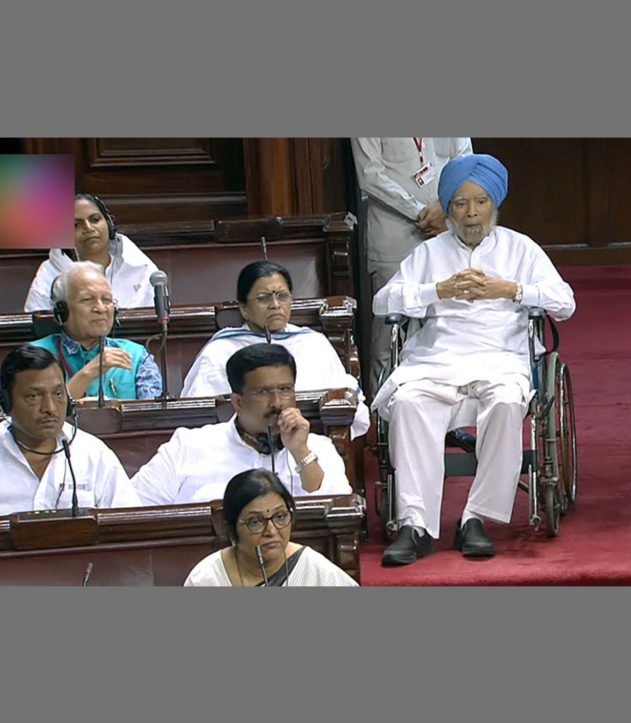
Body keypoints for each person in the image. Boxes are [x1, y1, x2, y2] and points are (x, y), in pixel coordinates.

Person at [372, 153, 575, 566]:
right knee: (409, 404)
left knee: (505, 403)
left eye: (480, 201)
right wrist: (438, 291)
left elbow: (565, 303)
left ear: (494, 204)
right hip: (436, 359)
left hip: (500, 356)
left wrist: (512, 289)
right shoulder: (429, 254)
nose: (471, 213)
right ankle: (415, 525)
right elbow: (382, 302)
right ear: (448, 209)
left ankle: (476, 518)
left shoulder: (522, 249)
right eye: (461, 203)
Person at [131, 344, 351, 506]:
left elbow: (337, 508)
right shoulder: (187, 446)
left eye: (285, 390)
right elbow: (136, 506)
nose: (277, 403)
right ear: (237, 401)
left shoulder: (318, 447)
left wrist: (299, 451)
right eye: (263, 392)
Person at [179, 260, 368, 438]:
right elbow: (201, 418)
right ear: (244, 308)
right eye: (264, 298)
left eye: (282, 296)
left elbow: (348, 406)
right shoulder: (221, 350)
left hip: (309, 441)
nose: (276, 305)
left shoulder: (313, 343)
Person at [351, 137, 474, 396]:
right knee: (389, 333)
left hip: (445, 230)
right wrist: (419, 211)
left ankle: (446, 418)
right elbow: (370, 175)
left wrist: (445, 206)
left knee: (446, 327)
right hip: (394, 236)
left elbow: (464, 163)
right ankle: (382, 423)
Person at [0, 345, 140, 515]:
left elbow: (129, 524)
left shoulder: (93, 454)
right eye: (34, 396)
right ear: (6, 402)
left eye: (58, 394)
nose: (50, 408)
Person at [184, 468, 358, 587]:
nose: (272, 531)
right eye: (255, 522)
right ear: (230, 527)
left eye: (280, 517)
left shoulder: (314, 570)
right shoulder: (207, 578)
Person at [29, 261, 163, 400]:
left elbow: (153, 417)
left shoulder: (136, 356)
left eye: (107, 300)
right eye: (87, 299)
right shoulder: (34, 355)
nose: (100, 308)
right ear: (62, 310)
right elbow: (35, 414)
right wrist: (88, 373)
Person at [25, 193, 162, 312]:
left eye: (95, 220)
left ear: (109, 223)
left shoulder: (140, 267)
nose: (88, 228)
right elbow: (38, 326)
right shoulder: (51, 274)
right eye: (76, 225)